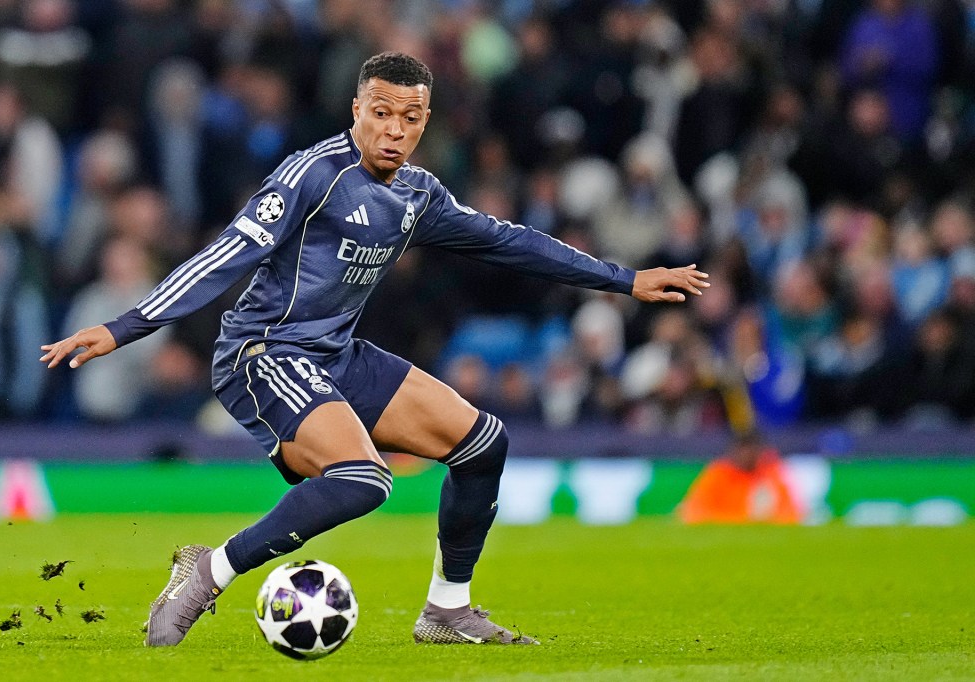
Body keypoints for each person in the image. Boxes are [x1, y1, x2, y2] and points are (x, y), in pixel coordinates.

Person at [40, 52, 709, 647]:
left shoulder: (418, 195)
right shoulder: (311, 175)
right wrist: (127, 324)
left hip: (336, 355)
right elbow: (229, 253)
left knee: (484, 443)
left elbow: (512, 241)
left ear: (425, 122)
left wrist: (623, 278)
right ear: (356, 110)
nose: (395, 129)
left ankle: (447, 609)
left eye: (410, 117)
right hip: (263, 354)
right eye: (382, 113)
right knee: (364, 479)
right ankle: (208, 570)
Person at [678, 431, 803, 525]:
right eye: (742, 449)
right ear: (733, 450)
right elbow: (693, 511)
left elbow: (791, 513)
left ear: (760, 451)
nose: (746, 454)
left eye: (751, 449)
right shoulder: (718, 474)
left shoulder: (770, 475)